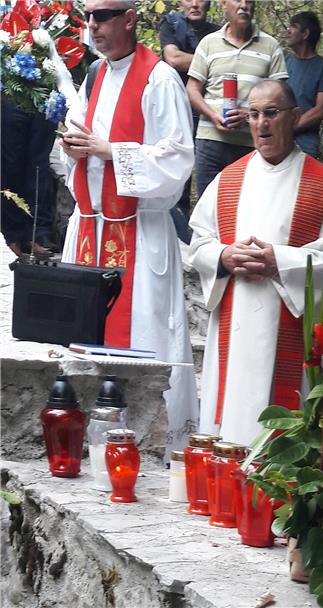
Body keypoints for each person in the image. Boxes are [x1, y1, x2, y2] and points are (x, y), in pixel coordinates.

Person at [60, 0, 198, 458]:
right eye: (88, 18)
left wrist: (109, 151)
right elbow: (75, 148)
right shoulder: (94, 76)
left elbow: (178, 159)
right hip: (89, 232)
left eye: (101, 17)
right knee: (83, 341)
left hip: (137, 232)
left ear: (130, 18)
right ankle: (82, 439)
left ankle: (152, 446)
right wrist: (75, 149)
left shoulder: (159, 78)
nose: (92, 26)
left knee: (144, 337)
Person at [188, 80, 323, 446]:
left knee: (282, 434)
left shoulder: (322, 183)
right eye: (255, 114)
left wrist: (280, 260)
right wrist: (224, 256)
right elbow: (198, 243)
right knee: (230, 428)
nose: (262, 123)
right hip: (234, 326)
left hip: (288, 332)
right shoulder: (228, 179)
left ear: (294, 117)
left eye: (272, 114)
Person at [187, 0, 288, 198]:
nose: (243, 5)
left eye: (249, 1)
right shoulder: (208, 43)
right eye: (237, 0)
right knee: (208, 207)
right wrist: (212, 116)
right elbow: (192, 89)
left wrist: (251, 115)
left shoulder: (270, 46)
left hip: (252, 143)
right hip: (210, 141)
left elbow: (281, 96)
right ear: (224, 4)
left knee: (248, 209)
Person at [159, 0, 219, 242]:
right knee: (177, 180)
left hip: (209, 115)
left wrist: (193, 59)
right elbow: (173, 59)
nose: (194, 3)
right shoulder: (171, 24)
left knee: (212, 184)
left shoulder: (217, 32)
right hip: (176, 111)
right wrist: (212, 59)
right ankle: (177, 241)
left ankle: (209, 243)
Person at [1, 101, 58, 257]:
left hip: (45, 91)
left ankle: (39, 233)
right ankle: (14, 232)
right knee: (9, 164)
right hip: (8, 91)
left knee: (40, 164)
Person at [285, 11, 323, 159]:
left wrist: (289, 128)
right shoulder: (284, 62)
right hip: (279, 143)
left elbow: (320, 110)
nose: (288, 30)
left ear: (305, 33)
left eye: (293, 26)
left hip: (306, 145)